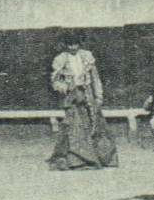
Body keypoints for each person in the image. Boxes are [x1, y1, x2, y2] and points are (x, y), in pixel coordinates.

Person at [46, 33, 117, 171]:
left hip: (88, 94)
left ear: (79, 44)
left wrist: (99, 96)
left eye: (75, 44)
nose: (73, 47)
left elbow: (95, 78)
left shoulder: (86, 56)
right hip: (72, 97)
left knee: (96, 125)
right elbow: (55, 82)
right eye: (70, 44)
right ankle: (78, 160)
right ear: (65, 45)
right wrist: (67, 88)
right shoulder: (60, 59)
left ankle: (102, 158)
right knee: (74, 128)